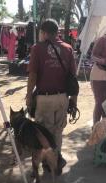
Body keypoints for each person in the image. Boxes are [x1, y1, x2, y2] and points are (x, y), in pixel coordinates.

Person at [26, 19, 77, 174]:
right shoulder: (68, 49)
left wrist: (29, 96)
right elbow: (73, 79)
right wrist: (73, 102)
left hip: (45, 98)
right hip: (62, 98)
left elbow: (33, 75)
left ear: (44, 33)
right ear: (57, 32)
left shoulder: (37, 49)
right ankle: (56, 159)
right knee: (57, 132)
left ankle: (50, 162)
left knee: (44, 133)